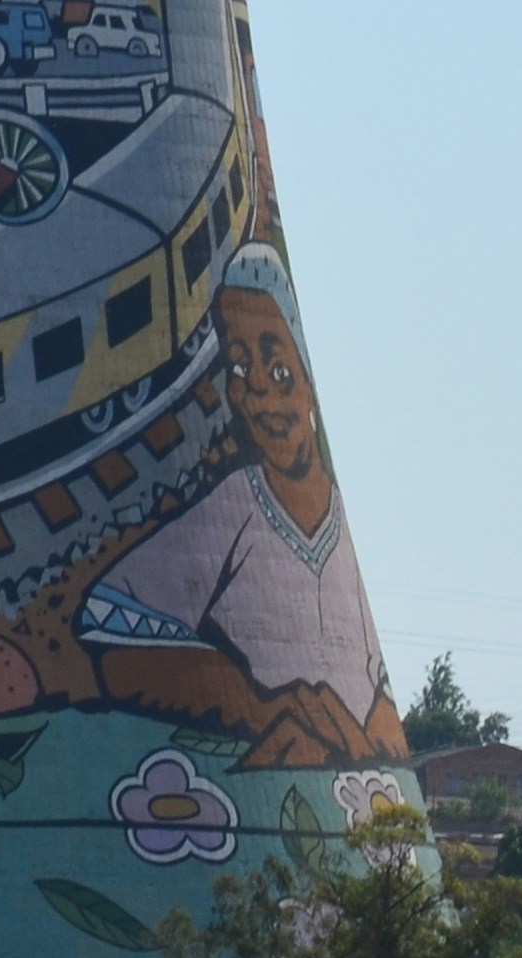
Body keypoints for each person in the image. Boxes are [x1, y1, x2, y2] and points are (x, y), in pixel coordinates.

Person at [74, 248, 392, 762]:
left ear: (309, 381)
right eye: (240, 367)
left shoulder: (335, 537)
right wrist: (254, 709)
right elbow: (108, 621)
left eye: (278, 367)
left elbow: (372, 686)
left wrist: (368, 737)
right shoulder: (232, 510)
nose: (260, 389)